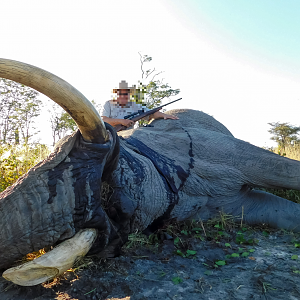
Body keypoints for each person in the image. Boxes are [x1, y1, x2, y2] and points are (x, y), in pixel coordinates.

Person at [101, 80, 178, 129]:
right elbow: (104, 120)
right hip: (109, 134)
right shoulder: (108, 104)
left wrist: (164, 115)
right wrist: (122, 121)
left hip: (128, 136)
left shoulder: (134, 105)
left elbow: (151, 113)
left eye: (126, 93)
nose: (123, 96)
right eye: (121, 93)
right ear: (117, 94)